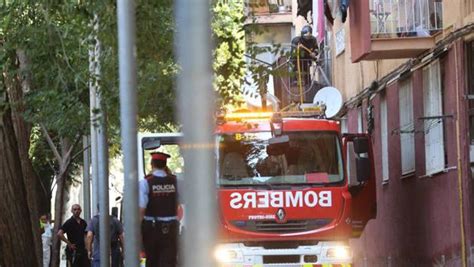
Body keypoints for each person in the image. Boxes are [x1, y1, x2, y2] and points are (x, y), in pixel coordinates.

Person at [139, 152, 179, 267]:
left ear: (152, 164)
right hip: (171, 228)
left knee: (152, 260)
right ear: (165, 164)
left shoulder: (145, 182)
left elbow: (141, 209)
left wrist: (137, 230)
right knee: (169, 261)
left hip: (152, 228)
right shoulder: (176, 182)